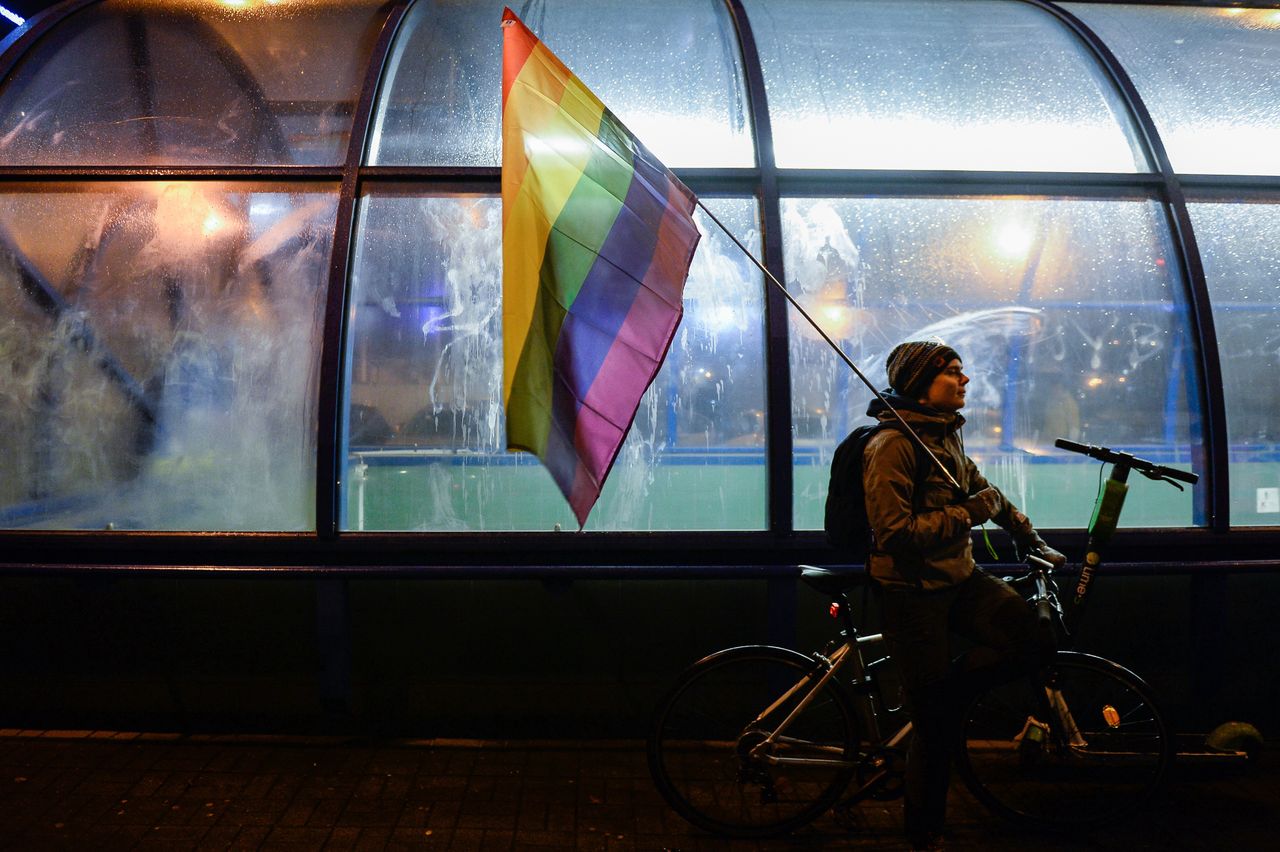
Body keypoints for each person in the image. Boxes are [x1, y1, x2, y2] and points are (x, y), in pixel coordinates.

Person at [860, 340, 1065, 849]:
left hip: (959, 580)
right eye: (952, 372)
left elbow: (984, 491)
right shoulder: (894, 445)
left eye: (961, 370)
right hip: (912, 593)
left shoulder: (944, 437)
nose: (965, 379)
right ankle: (924, 831)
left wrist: (1030, 538)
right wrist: (966, 515)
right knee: (934, 728)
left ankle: (944, 695)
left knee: (1034, 636)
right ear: (919, 385)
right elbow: (894, 533)